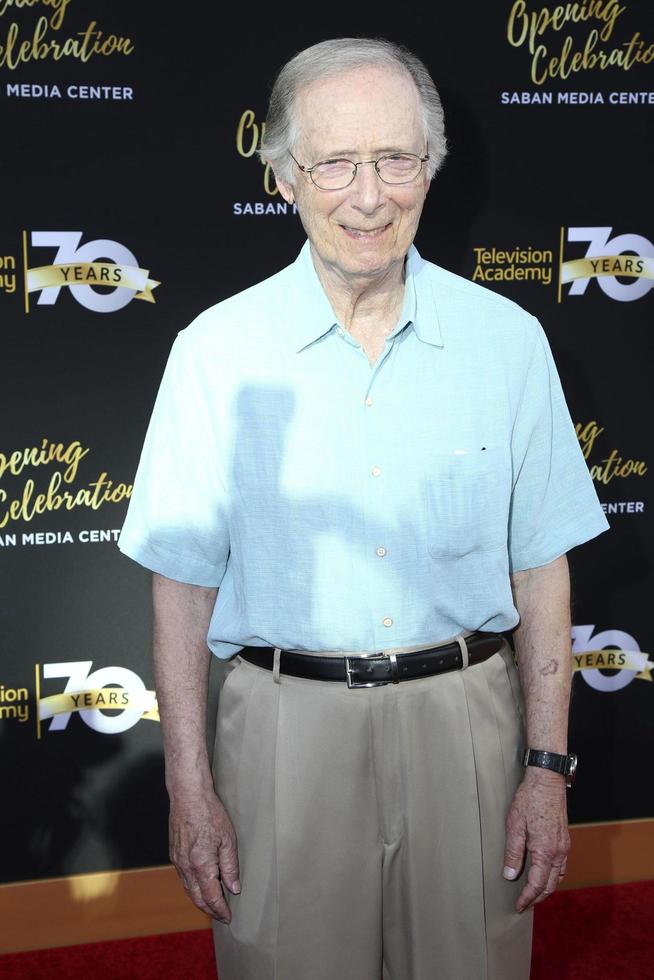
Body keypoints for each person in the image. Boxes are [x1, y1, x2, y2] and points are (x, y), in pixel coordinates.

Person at [119, 37, 609, 980]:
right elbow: (180, 587)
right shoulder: (215, 352)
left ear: (430, 170)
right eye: (335, 162)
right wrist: (190, 783)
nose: (369, 195)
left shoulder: (509, 342)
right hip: (281, 741)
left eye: (396, 159)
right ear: (283, 178)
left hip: (468, 730)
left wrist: (546, 772)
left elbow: (542, 566)